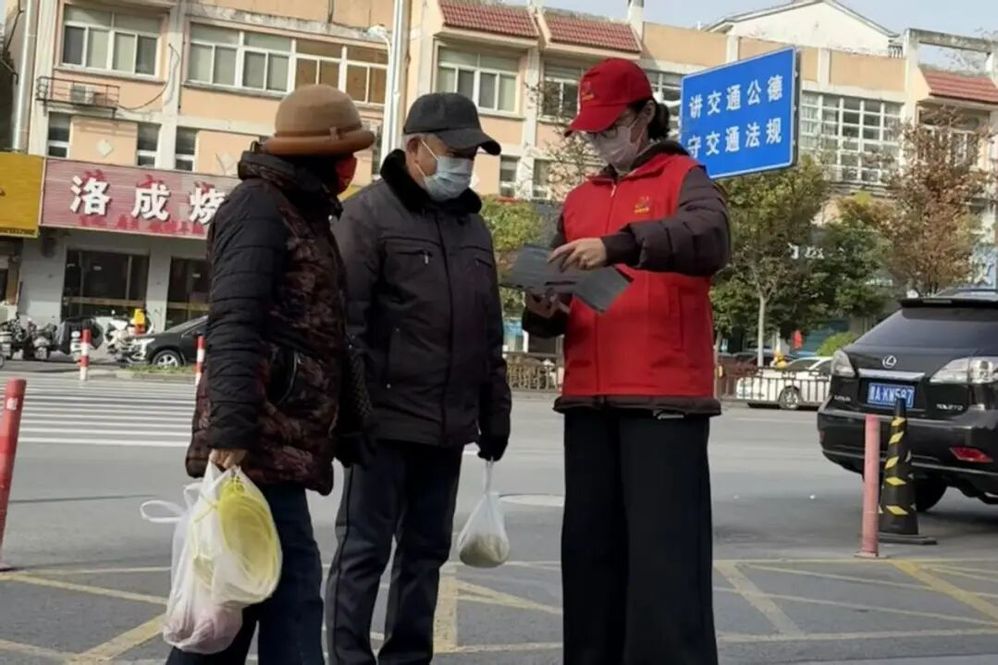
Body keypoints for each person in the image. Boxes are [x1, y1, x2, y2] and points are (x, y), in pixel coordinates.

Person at [523, 58, 730, 665]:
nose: (600, 140)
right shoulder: (579, 198)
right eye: (591, 131)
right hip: (589, 400)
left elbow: (710, 238)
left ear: (645, 116)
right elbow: (557, 306)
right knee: (590, 560)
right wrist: (543, 307)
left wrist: (618, 245)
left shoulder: (684, 177)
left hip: (664, 401)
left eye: (610, 127)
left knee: (665, 568)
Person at [176, 84, 375, 664]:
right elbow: (235, 322)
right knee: (285, 598)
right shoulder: (258, 207)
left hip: (285, 439)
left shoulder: (305, 213)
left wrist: (350, 424)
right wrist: (231, 431)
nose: (350, 166)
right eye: (344, 154)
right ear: (317, 154)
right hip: (257, 441)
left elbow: (323, 334)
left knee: (237, 604)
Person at [327, 92, 512, 665]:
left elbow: (488, 329)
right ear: (415, 149)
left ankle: (408, 659)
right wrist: (352, 414)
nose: (463, 165)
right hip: (382, 423)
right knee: (363, 551)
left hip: (448, 426)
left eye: (471, 156)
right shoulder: (367, 216)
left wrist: (495, 408)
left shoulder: (473, 228)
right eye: (454, 153)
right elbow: (346, 327)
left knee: (426, 554)